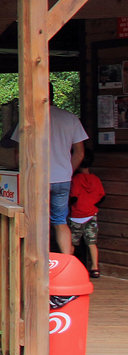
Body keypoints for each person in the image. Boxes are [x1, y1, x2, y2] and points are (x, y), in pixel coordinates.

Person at [10, 86, 88, 255]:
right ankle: (66, 262)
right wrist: (68, 171)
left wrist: (23, 172)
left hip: (37, 179)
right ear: (53, 95)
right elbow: (80, 153)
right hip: (63, 179)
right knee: (60, 221)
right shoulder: (70, 118)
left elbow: (18, 153)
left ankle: (37, 263)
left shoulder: (29, 118)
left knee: (37, 221)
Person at [69, 159, 105, 278]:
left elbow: (73, 196)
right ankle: (95, 268)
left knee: (72, 243)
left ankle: (69, 267)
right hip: (91, 214)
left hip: (76, 216)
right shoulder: (96, 179)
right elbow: (102, 196)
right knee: (91, 243)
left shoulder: (76, 179)